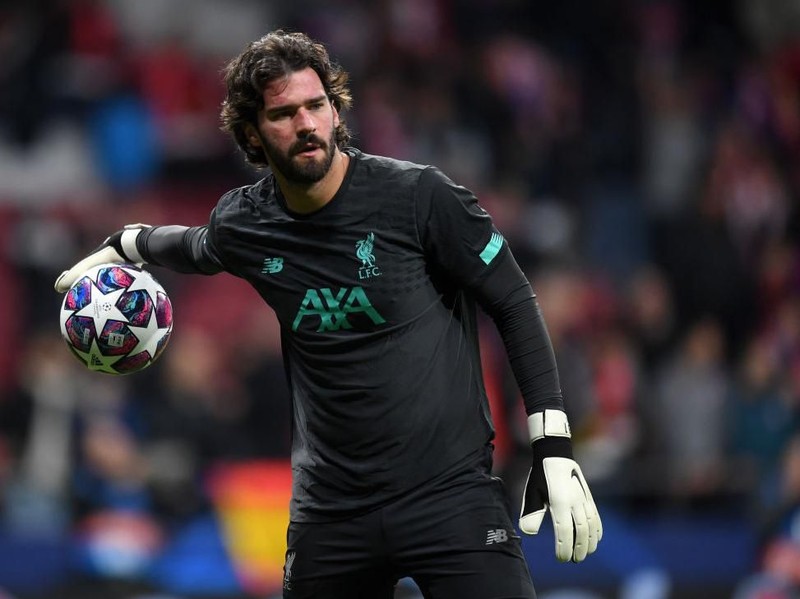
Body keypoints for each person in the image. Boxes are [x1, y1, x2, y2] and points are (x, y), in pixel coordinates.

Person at [54, 29, 602, 599]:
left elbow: (513, 301)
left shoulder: (419, 198)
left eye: (317, 106)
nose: (307, 124)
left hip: (449, 497)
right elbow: (195, 247)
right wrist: (129, 243)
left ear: (336, 111)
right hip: (333, 515)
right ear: (253, 135)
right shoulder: (246, 223)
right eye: (284, 114)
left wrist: (553, 445)